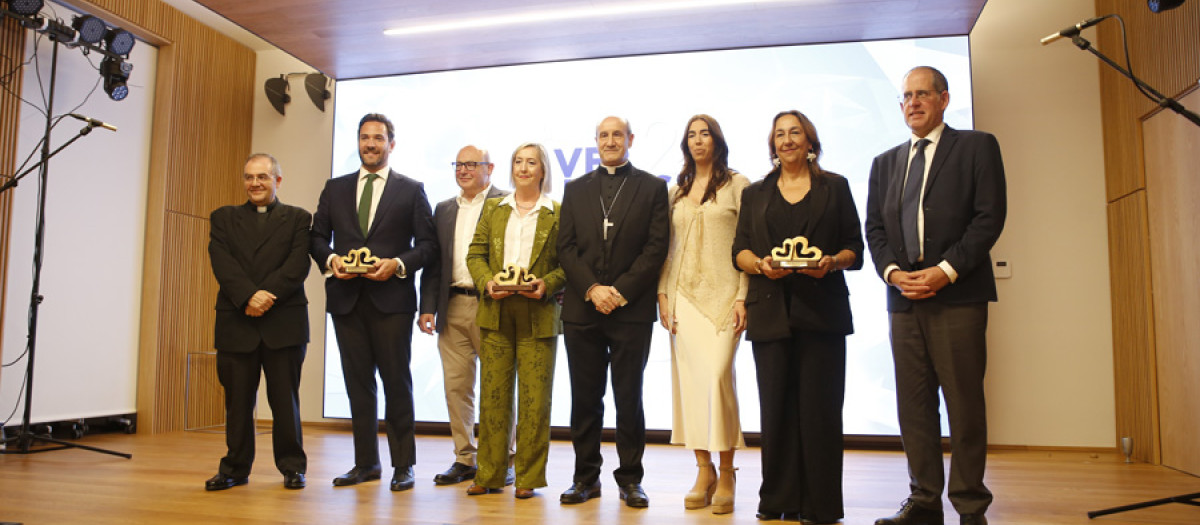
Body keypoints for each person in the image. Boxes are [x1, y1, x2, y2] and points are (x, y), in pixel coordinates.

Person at [865, 66, 1006, 525]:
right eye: (906, 96)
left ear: (944, 99)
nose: (913, 103)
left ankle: (969, 506)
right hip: (903, 300)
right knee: (914, 405)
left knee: (964, 405)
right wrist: (890, 272)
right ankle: (924, 500)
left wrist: (945, 272)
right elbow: (876, 229)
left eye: (922, 93)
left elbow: (989, 217)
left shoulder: (977, 147)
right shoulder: (885, 162)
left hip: (957, 296)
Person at [731, 110, 863, 523]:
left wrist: (829, 262)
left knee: (821, 410)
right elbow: (739, 250)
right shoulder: (755, 193)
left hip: (822, 312)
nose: (787, 140)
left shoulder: (835, 187)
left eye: (795, 133)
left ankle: (820, 506)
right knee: (776, 410)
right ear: (772, 144)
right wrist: (760, 266)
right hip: (770, 311)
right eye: (780, 134)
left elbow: (854, 249)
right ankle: (778, 500)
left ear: (810, 140)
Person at [310, 113, 437, 492]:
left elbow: (429, 246)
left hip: (392, 301)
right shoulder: (335, 188)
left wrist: (397, 265)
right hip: (346, 300)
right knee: (357, 384)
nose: (370, 144)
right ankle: (365, 463)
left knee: (396, 383)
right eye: (365, 138)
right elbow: (316, 238)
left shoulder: (411, 190)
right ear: (358, 142)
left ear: (391, 144)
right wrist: (333, 262)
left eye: (378, 138)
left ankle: (403, 465)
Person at [556, 116, 669, 508]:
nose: (610, 141)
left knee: (628, 397)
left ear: (630, 139)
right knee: (585, 399)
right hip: (583, 310)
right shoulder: (575, 189)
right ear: (596, 142)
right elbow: (565, 248)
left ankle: (631, 479)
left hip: (630, 310)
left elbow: (656, 248)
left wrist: (618, 292)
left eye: (616, 134)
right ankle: (585, 478)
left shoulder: (654, 187)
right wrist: (592, 288)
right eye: (603, 135)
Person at [657, 115, 749, 514]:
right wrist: (662, 293)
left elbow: (748, 243)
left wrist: (744, 296)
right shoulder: (674, 191)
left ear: (717, 139)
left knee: (717, 378)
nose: (698, 141)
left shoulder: (739, 185)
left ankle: (728, 470)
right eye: (691, 135)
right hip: (682, 297)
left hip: (726, 295)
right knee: (692, 385)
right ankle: (703, 468)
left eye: (704, 133)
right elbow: (666, 247)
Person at [464, 143, 565, 499]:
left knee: (536, 403)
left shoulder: (557, 210)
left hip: (539, 314)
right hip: (496, 312)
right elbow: (475, 254)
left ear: (542, 170)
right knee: (494, 398)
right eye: (518, 162)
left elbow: (569, 263)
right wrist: (488, 283)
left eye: (531, 162)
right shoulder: (494, 209)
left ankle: (528, 478)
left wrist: (546, 285)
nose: (523, 168)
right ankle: (489, 474)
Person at [205, 153, 311, 491]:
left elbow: (297, 266)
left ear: (277, 181)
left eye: (263, 177)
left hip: (284, 324)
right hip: (238, 322)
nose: (255, 183)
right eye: (249, 177)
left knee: (285, 401)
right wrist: (249, 296)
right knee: (237, 404)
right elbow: (222, 262)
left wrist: (266, 296)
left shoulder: (298, 219)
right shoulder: (223, 218)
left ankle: (292, 468)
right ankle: (234, 468)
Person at [418, 145, 509, 486]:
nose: (464, 170)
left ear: (490, 168)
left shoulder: (507, 202)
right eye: (459, 164)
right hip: (451, 304)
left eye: (472, 164)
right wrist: (427, 306)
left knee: (497, 386)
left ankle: (501, 459)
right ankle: (465, 458)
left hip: (494, 304)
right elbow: (433, 262)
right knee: (457, 387)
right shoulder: (443, 209)